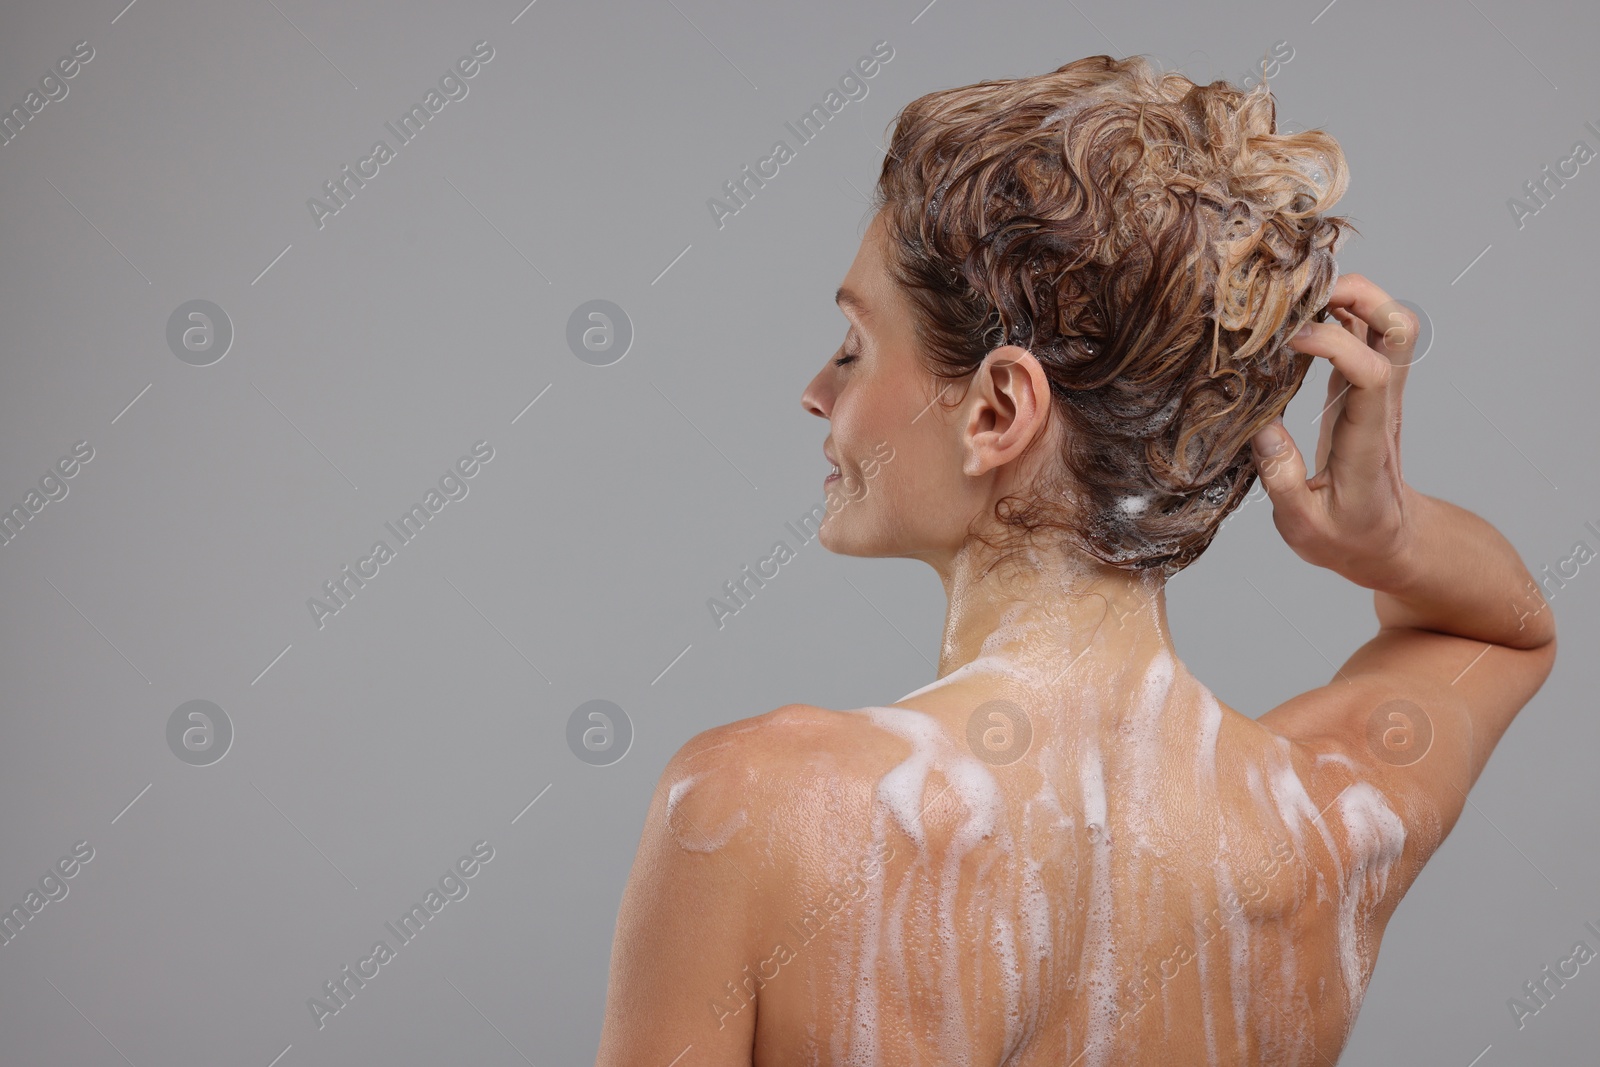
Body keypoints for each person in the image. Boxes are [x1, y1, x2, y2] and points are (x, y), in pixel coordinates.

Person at [594, 54, 1557, 1066]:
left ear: (997, 409)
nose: (816, 391)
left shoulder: (755, 808)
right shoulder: (1319, 829)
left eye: (852, 345)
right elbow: (1502, 628)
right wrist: (1386, 540)